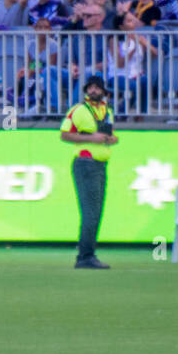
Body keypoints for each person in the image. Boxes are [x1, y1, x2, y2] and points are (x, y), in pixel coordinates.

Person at [59, 72, 118, 269]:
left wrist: (111, 139)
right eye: (90, 87)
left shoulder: (106, 111)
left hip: (100, 164)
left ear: (103, 91)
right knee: (91, 212)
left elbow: (112, 134)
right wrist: (90, 139)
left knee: (95, 211)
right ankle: (85, 255)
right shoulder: (78, 110)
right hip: (86, 163)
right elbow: (65, 135)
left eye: (97, 87)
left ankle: (87, 254)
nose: (93, 90)